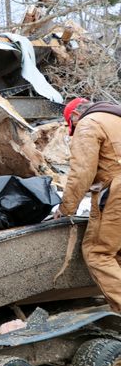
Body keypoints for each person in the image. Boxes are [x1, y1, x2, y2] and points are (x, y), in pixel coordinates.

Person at [54, 97, 121, 312]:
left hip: (117, 191)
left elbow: (82, 172)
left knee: (98, 253)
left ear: (74, 116)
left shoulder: (88, 124)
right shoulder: (115, 117)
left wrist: (65, 209)